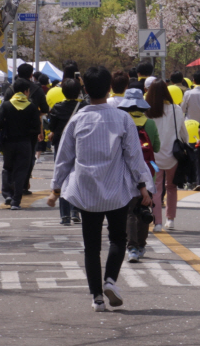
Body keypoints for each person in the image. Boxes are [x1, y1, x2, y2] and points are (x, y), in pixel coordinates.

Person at [48, 65, 153, 312]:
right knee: (118, 238)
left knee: (91, 246)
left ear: (85, 89)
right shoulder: (122, 118)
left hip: (87, 192)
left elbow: (64, 157)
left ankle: (96, 297)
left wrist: (55, 188)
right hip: (116, 189)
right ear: (109, 88)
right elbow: (134, 157)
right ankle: (110, 281)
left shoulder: (77, 119)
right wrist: (144, 186)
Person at [119, 88, 158, 261]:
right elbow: (156, 147)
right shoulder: (150, 123)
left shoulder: (121, 121)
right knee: (144, 207)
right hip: (147, 171)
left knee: (129, 211)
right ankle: (141, 245)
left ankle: (132, 247)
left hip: (124, 171)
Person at [0, 78, 41, 209]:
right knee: (21, 171)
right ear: (26, 91)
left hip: (8, 143)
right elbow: (36, 128)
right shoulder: (32, 106)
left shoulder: (6, 105)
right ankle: (16, 201)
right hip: (25, 143)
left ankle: (7, 194)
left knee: (7, 168)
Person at [147, 80, 186, 232]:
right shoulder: (176, 109)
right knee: (171, 187)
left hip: (154, 158)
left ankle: (157, 222)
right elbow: (183, 133)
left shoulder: (148, 110)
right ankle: (170, 219)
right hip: (173, 156)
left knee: (156, 189)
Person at [47, 77, 85, 225]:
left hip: (61, 145)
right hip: (80, 145)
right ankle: (76, 210)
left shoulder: (57, 107)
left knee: (62, 176)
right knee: (78, 176)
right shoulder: (84, 107)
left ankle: (64, 215)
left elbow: (52, 127)